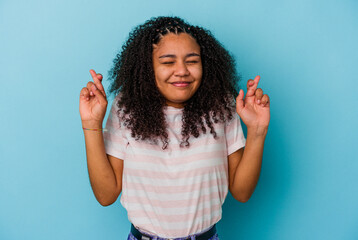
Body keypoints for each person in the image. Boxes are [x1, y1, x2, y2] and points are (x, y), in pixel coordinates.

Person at [79, 16, 270, 240]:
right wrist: (92, 125)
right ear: (148, 67)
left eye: (192, 61)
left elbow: (242, 191)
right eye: (168, 62)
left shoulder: (222, 107)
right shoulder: (126, 108)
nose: (182, 71)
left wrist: (257, 131)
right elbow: (106, 194)